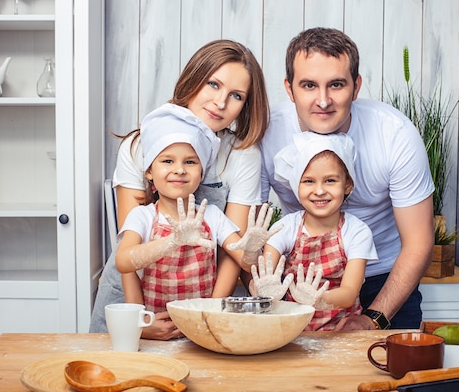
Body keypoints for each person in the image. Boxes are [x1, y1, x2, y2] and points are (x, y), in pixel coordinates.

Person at [90, 39, 270, 338]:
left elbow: (232, 252)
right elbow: (131, 250)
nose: (221, 102)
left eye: (236, 95)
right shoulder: (138, 145)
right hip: (131, 298)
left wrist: (206, 314)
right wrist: (139, 321)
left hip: (204, 300)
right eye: (213, 84)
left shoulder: (242, 154)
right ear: (193, 78)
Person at [260, 27, 435, 330]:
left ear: (356, 87)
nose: (323, 100)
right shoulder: (266, 134)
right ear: (289, 90)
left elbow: (418, 242)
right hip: (301, 283)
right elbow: (248, 233)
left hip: (384, 280)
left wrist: (374, 318)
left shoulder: (394, 134)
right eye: (309, 85)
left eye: (337, 85)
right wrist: (267, 294)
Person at [114, 104, 277, 314]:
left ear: (201, 174)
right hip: (156, 322)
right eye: (167, 161)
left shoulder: (212, 216)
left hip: (199, 323)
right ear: (149, 172)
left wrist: (252, 252)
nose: (180, 169)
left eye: (190, 162)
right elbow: (124, 262)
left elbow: (243, 263)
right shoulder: (142, 216)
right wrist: (172, 241)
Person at [251, 132, 378, 331]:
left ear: (347, 185)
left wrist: (318, 299)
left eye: (330, 181)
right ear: (296, 185)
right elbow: (262, 279)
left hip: (340, 333)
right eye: (308, 181)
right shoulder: (287, 227)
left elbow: (348, 294)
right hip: (292, 332)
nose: (319, 191)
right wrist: (263, 289)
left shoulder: (357, 231)